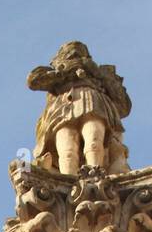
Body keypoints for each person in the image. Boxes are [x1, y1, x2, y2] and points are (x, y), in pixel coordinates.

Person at [27, 41, 131, 174]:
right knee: (68, 151)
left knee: (94, 142)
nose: (75, 54)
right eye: (69, 54)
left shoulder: (99, 73)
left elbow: (124, 106)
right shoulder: (58, 73)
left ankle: (96, 176)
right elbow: (33, 81)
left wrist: (97, 73)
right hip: (62, 111)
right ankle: (67, 180)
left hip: (95, 105)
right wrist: (64, 71)